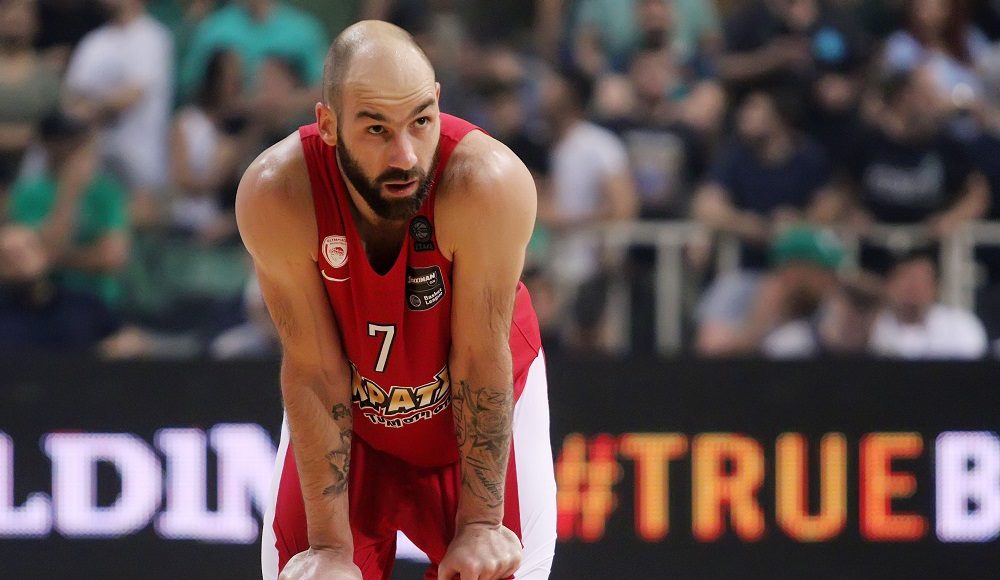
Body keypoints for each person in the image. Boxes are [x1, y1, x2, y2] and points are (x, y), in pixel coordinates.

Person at [236, 20, 555, 580]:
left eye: (421, 121)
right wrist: (328, 546)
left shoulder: (487, 182)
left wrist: (482, 523)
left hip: (473, 419)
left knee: (498, 564)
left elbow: (480, 358)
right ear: (328, 124)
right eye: (377, 129)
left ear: (438, 102)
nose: (405, 155)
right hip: (350, 426)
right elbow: (313, 371)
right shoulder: (277, 191)